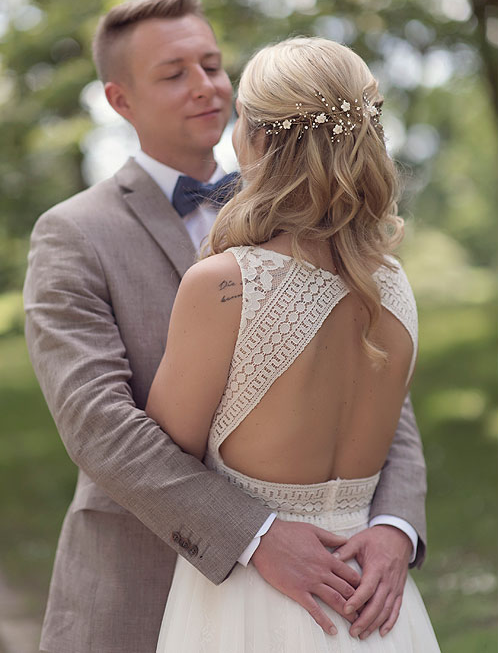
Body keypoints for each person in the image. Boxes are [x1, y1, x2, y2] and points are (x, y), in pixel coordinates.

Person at [23, 0, 428, 652]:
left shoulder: (332, 229)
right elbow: (97, 425)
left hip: (338, 578)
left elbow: (391, 397)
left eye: (212, 64)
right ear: (119, 100)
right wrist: (255, 531)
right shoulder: (74, 232)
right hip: (139, 580)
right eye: (173, 72)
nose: (205, 85)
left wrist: (394, 524)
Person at [146, 36, 439, 650]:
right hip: (373, 599)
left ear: (257, 136)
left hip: (253, 603)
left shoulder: (225, 284)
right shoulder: (392, 283)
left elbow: (165, 457)